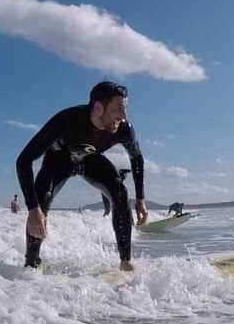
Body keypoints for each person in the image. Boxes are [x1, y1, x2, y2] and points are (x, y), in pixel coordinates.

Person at [16, 81, 148, 271]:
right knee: (41, 200)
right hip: (58, 162)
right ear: (98, 107)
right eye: (117, 109)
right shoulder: (66, 120)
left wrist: (140, 199)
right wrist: (33, 209)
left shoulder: (123, 129)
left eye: (124, 109)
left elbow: (137, 158)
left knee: (120, 191)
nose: (123, 116)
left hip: (90, 160)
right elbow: (23, 160)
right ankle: (31, 265)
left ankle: (125, 262)